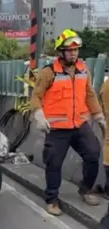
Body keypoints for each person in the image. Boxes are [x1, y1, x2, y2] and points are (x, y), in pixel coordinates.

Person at [30, 28, 105, 216]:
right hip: (56, 128)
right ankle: (52, 199)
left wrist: (98, 116)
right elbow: (36, 96)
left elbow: (89, 94)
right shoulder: (48, 72)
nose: (74, 53)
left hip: (79, 124)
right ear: (60, 52)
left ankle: (86, 188)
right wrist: (39, 115)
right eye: (70, 50)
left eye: (76, 50)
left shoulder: (83, 70)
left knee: (93, 153)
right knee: (54, 163)